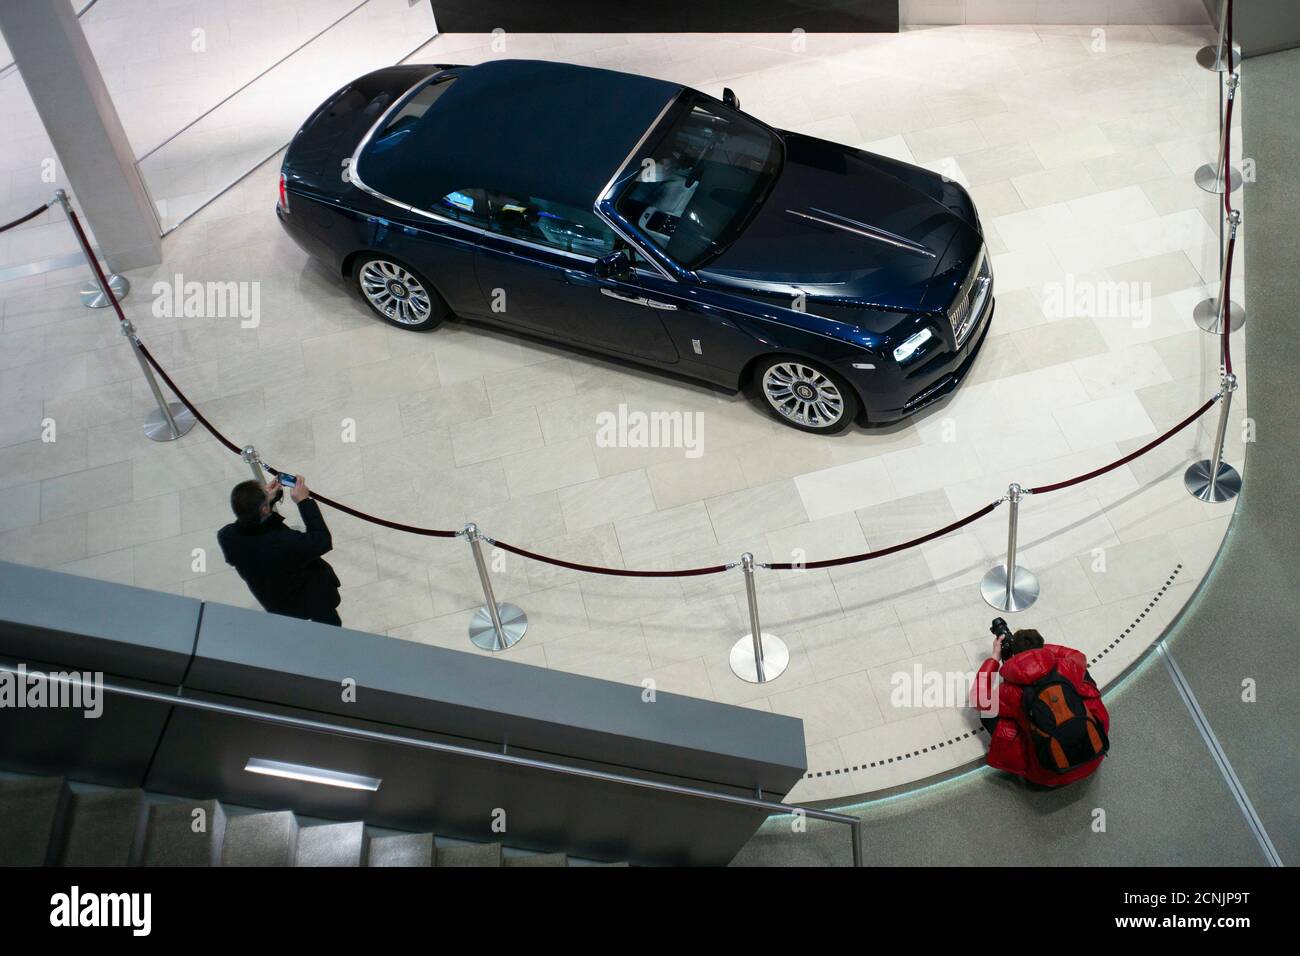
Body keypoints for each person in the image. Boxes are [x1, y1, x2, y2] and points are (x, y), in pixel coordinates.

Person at [971, 627, 1109, 787]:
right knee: (1084, 676)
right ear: (1041, 646)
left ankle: (1019, 762)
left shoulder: (1009, 691)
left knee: (988, 713)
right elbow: (1077, 656)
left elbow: (977, 699)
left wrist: (995, 657)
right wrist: (1037, 650)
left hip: (1047, 774)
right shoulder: (1067, 667)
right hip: (1095, 755)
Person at [217, 475, 343, 626]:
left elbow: (253, 521)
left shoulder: (226, 536)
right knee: (330, 626)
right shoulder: (284, 542)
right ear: (264, 509)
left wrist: (268, 500)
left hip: (277, 604)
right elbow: (322, 540)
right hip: (312, 598)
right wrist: (303, 502)